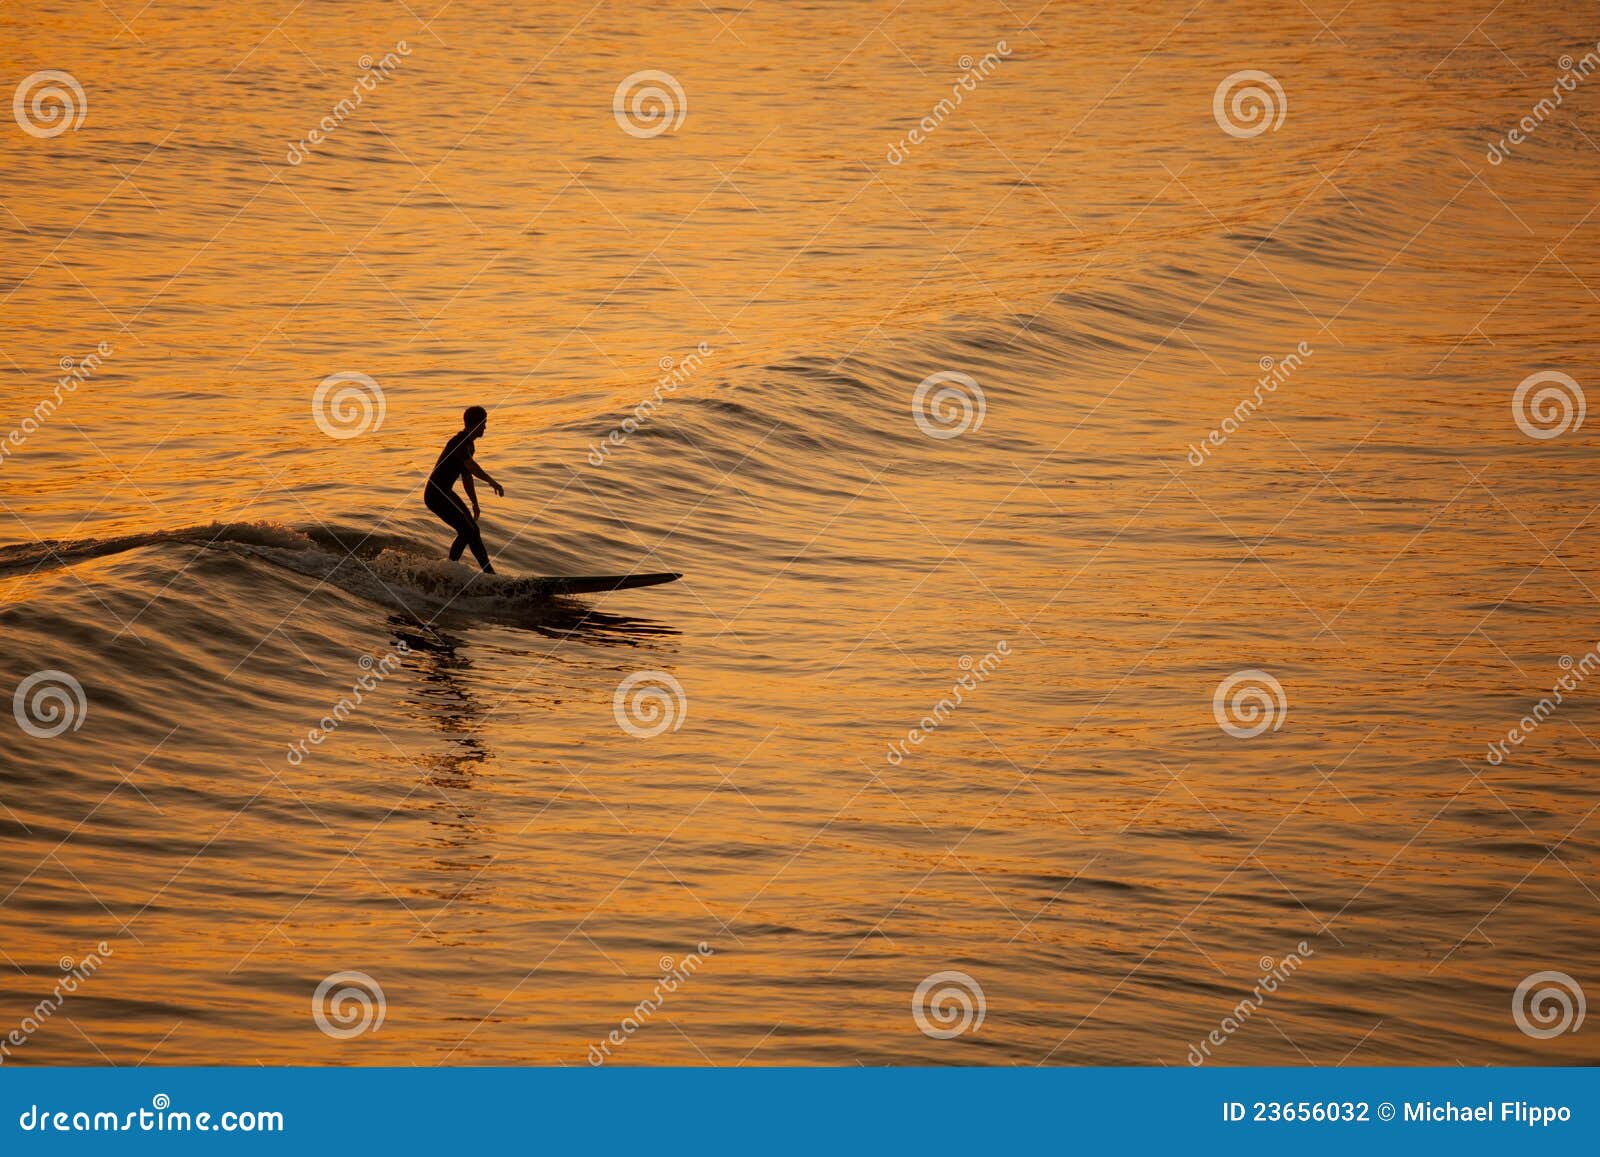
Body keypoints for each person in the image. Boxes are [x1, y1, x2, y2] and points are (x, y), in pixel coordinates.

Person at [424, 405, 505, 573]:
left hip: (445, 493)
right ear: (475, 424)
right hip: (435, 495)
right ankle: (448, 571)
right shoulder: (459, 442)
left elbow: (467, 477)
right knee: (466, 530)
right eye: (483, 423)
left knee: (473, 530)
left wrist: (474, 503)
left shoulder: (469, 445)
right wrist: (491, 481)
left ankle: (488, 573)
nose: (485, 427)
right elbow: (471, 466)